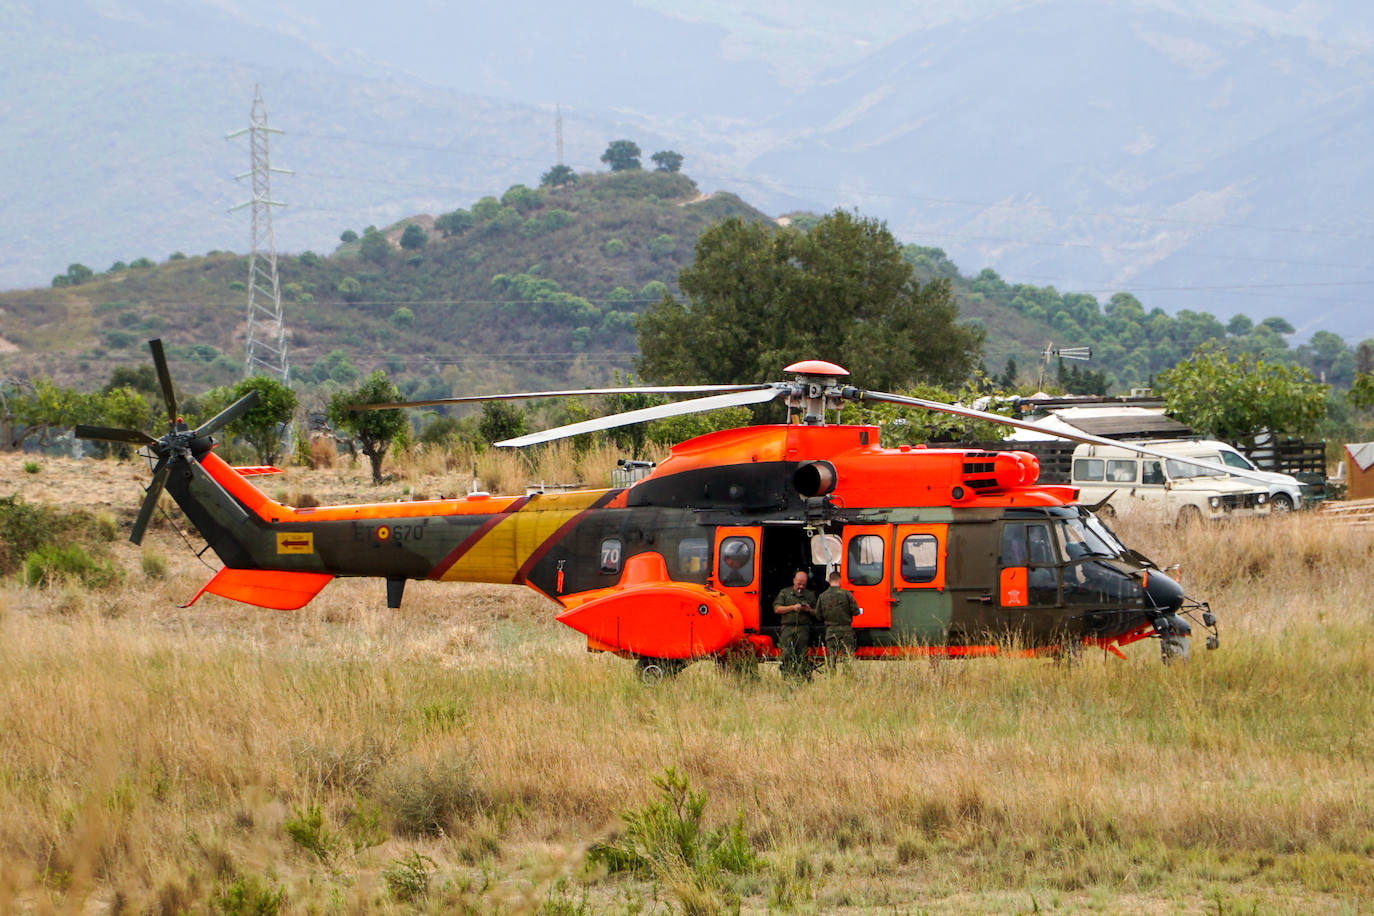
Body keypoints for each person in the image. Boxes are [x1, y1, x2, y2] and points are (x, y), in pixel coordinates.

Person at [773, 570, 817, 680]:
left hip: (803, 628)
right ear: (794, 581)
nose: (801, 586)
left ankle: (801, 677)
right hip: (788, 628)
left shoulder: (810, 595)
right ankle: (787, 677)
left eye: (804, 584)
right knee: (787, 654)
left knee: (802, 655)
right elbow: (777, 609)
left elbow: (818, 612)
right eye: (799, 583)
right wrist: (792, 608)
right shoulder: (784, 593)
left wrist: (808, 609)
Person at [816, 570, 860, 672]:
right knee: (847, 657)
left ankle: (832, 678)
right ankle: (847, 678)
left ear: (829, 581)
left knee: (831, 658)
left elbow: (818, 615)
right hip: (846, 630)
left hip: (830, 630)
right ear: (840, 580)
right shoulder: (847, 594)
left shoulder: (822, 596)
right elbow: (856, 611)